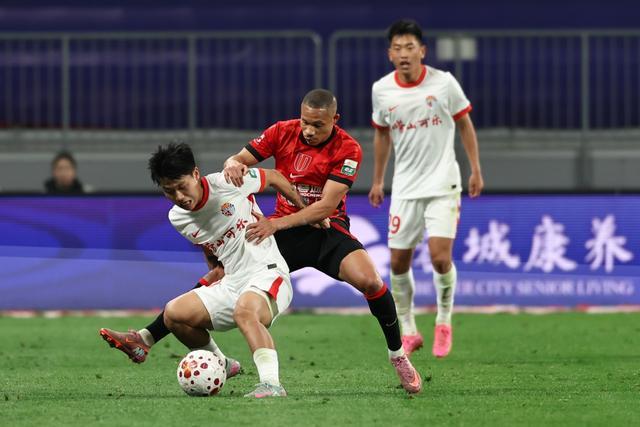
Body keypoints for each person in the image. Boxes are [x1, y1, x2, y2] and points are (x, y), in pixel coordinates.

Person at [100, 89, 422, 394]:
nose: (308, 130)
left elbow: (324, 208)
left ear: (334, 120)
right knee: (218, 275)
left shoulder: (348, 149)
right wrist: (232, 162)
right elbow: (239, 160)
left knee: (371, 281)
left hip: (324, 229)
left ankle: (397, 356)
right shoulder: (282, 131)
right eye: (305, 122)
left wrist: (275, 223)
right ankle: (147, 338)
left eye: (317, 125)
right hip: (281, 234)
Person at [102, 142, 307, 398]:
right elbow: (210, 245)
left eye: (182, 186)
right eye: (169, 191)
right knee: (174, 313)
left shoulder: (228, 182)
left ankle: (271, 384)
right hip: (232, 282)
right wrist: (215, 271)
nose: (179, 196)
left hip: (267, 272)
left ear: (196, 174)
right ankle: (222, 364)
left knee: (245, 311)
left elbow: (275, 177)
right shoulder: (178, 217)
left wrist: (305, 210)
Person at [368, 20, 484, 358]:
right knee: (397, 263)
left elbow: (465, 124)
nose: (404, 54)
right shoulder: (382, 90)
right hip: (405, 188)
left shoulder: (444, 83)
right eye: (398, 48)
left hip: (443, 183)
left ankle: (444, 321)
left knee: (439, 257)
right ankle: (409, 330)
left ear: (422, 51)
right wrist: (378, 180)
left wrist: (475, 169)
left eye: (410, 47)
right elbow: (381, 134)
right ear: (390, 54)